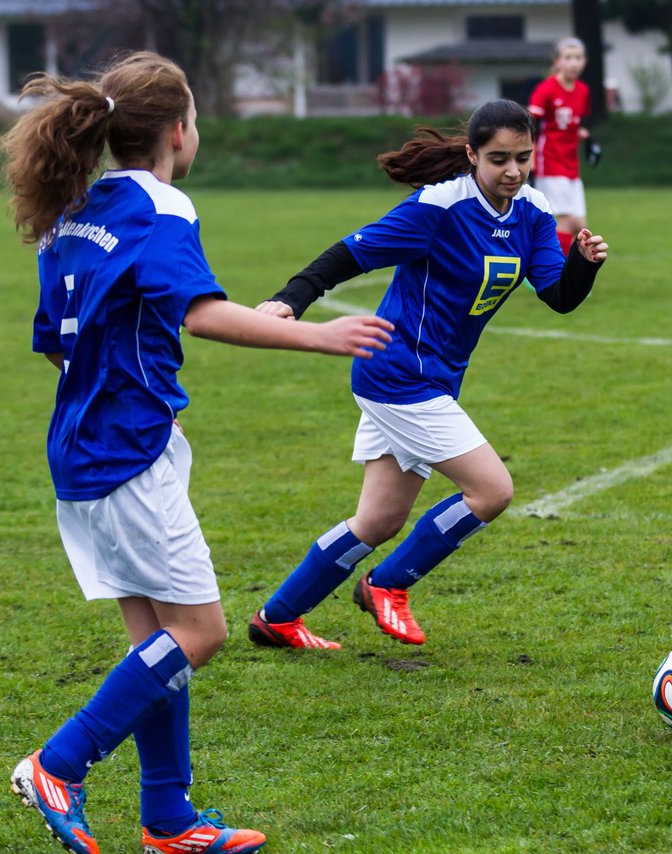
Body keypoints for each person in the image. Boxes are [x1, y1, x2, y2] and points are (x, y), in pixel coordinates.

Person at [0, 52, 391, 854]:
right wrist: (317, 334)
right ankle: (58, 763)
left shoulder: (72, 211)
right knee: (201, 632)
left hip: (84, 447)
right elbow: (203, 313)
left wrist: (134, 399)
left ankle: (169, 820)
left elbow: (54, 343)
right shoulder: (161, 207)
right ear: (180, 130)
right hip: (126, 453)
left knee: (159, 637)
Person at [247, 99, 608, 651]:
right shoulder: (439, 207)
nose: (512, 170)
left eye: (522, 158)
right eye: (497, 159)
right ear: (471, 156)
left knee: (379, 520)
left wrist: (584, 264)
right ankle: (387, 584)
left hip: (434, 378)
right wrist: (289, 299)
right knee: (491, 490)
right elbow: (353, 253)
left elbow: (559, 297)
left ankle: (277, 618)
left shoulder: (532, 212)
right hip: (397, 373)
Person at [528, 37, 596, 255]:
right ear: (557, 62)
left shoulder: (583, 90)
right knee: (565, 220)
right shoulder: (546, 89)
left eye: (578, 58)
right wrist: (528, 156)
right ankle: (557, 276)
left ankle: (569, 276)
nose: (574, 63)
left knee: (580, 226)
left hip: (571, 164)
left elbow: (570, 123)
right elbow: (530, 125)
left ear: (584, 61)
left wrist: (582, 134)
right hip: (549, 161)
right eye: (568, 58)